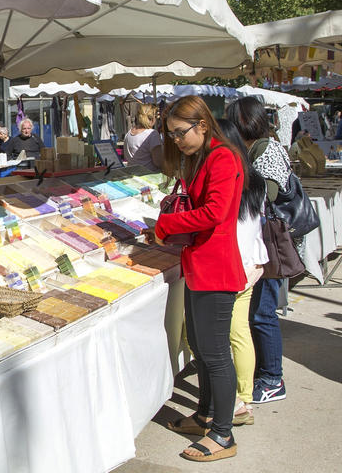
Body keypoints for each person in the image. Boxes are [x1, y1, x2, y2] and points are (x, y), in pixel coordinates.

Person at [154, 96, 245, 463]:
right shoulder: (201, 158)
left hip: (216, 268)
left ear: (202, 126)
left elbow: (213, 212)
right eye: (171, 134)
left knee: (216, 354)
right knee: (203, 350)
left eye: (180, 133)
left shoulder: (223, 157)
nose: (176, 140)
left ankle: (223, 434)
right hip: (199, 265)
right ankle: (206, 414)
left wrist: (167, 224)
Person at [226, 96, 291, 404]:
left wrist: (245, 183)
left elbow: (274, 191)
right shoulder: (256, 148)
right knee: (256, 313)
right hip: (260, 239)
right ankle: (264, 372)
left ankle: (273, 378)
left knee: (263, 313)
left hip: (266, 242)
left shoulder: (265, 149)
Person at [217, 119, 269, 426]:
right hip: (251, 262)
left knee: (218, 340)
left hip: (230, 265)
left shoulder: (228, 177)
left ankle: (232, 403)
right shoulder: (256, 179)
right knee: (239, 333)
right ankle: (245, 397)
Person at [123, 103, 163, 170]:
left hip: (132, 174)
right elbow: (158, 162)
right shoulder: (152, 134)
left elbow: (126, 157)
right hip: (149, 176)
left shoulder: (128, 133)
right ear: (152, 118)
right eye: (156, 117)